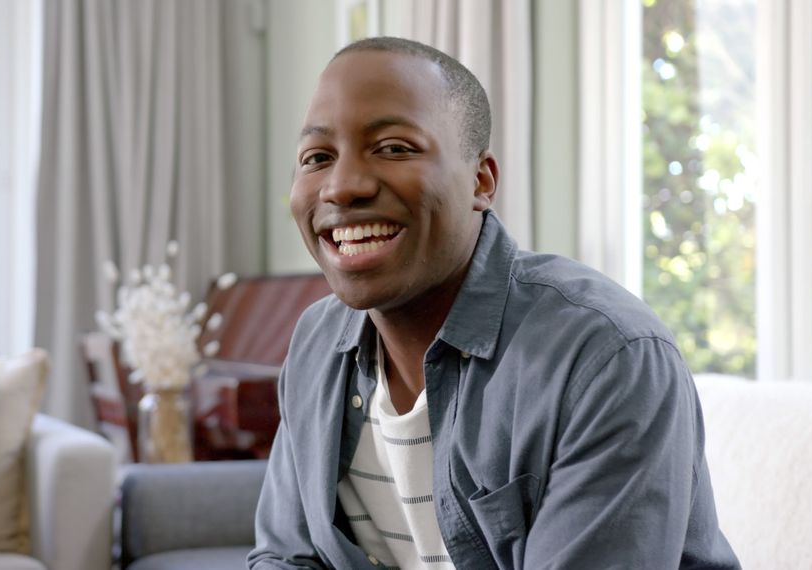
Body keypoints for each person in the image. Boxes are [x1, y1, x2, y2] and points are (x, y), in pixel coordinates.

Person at [248, 36, 740, 569]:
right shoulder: (317, 343)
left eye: (394, 148)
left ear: (481, 181)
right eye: (317, 157)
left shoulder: (605, 357)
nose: (342, 188)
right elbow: (284, 557)